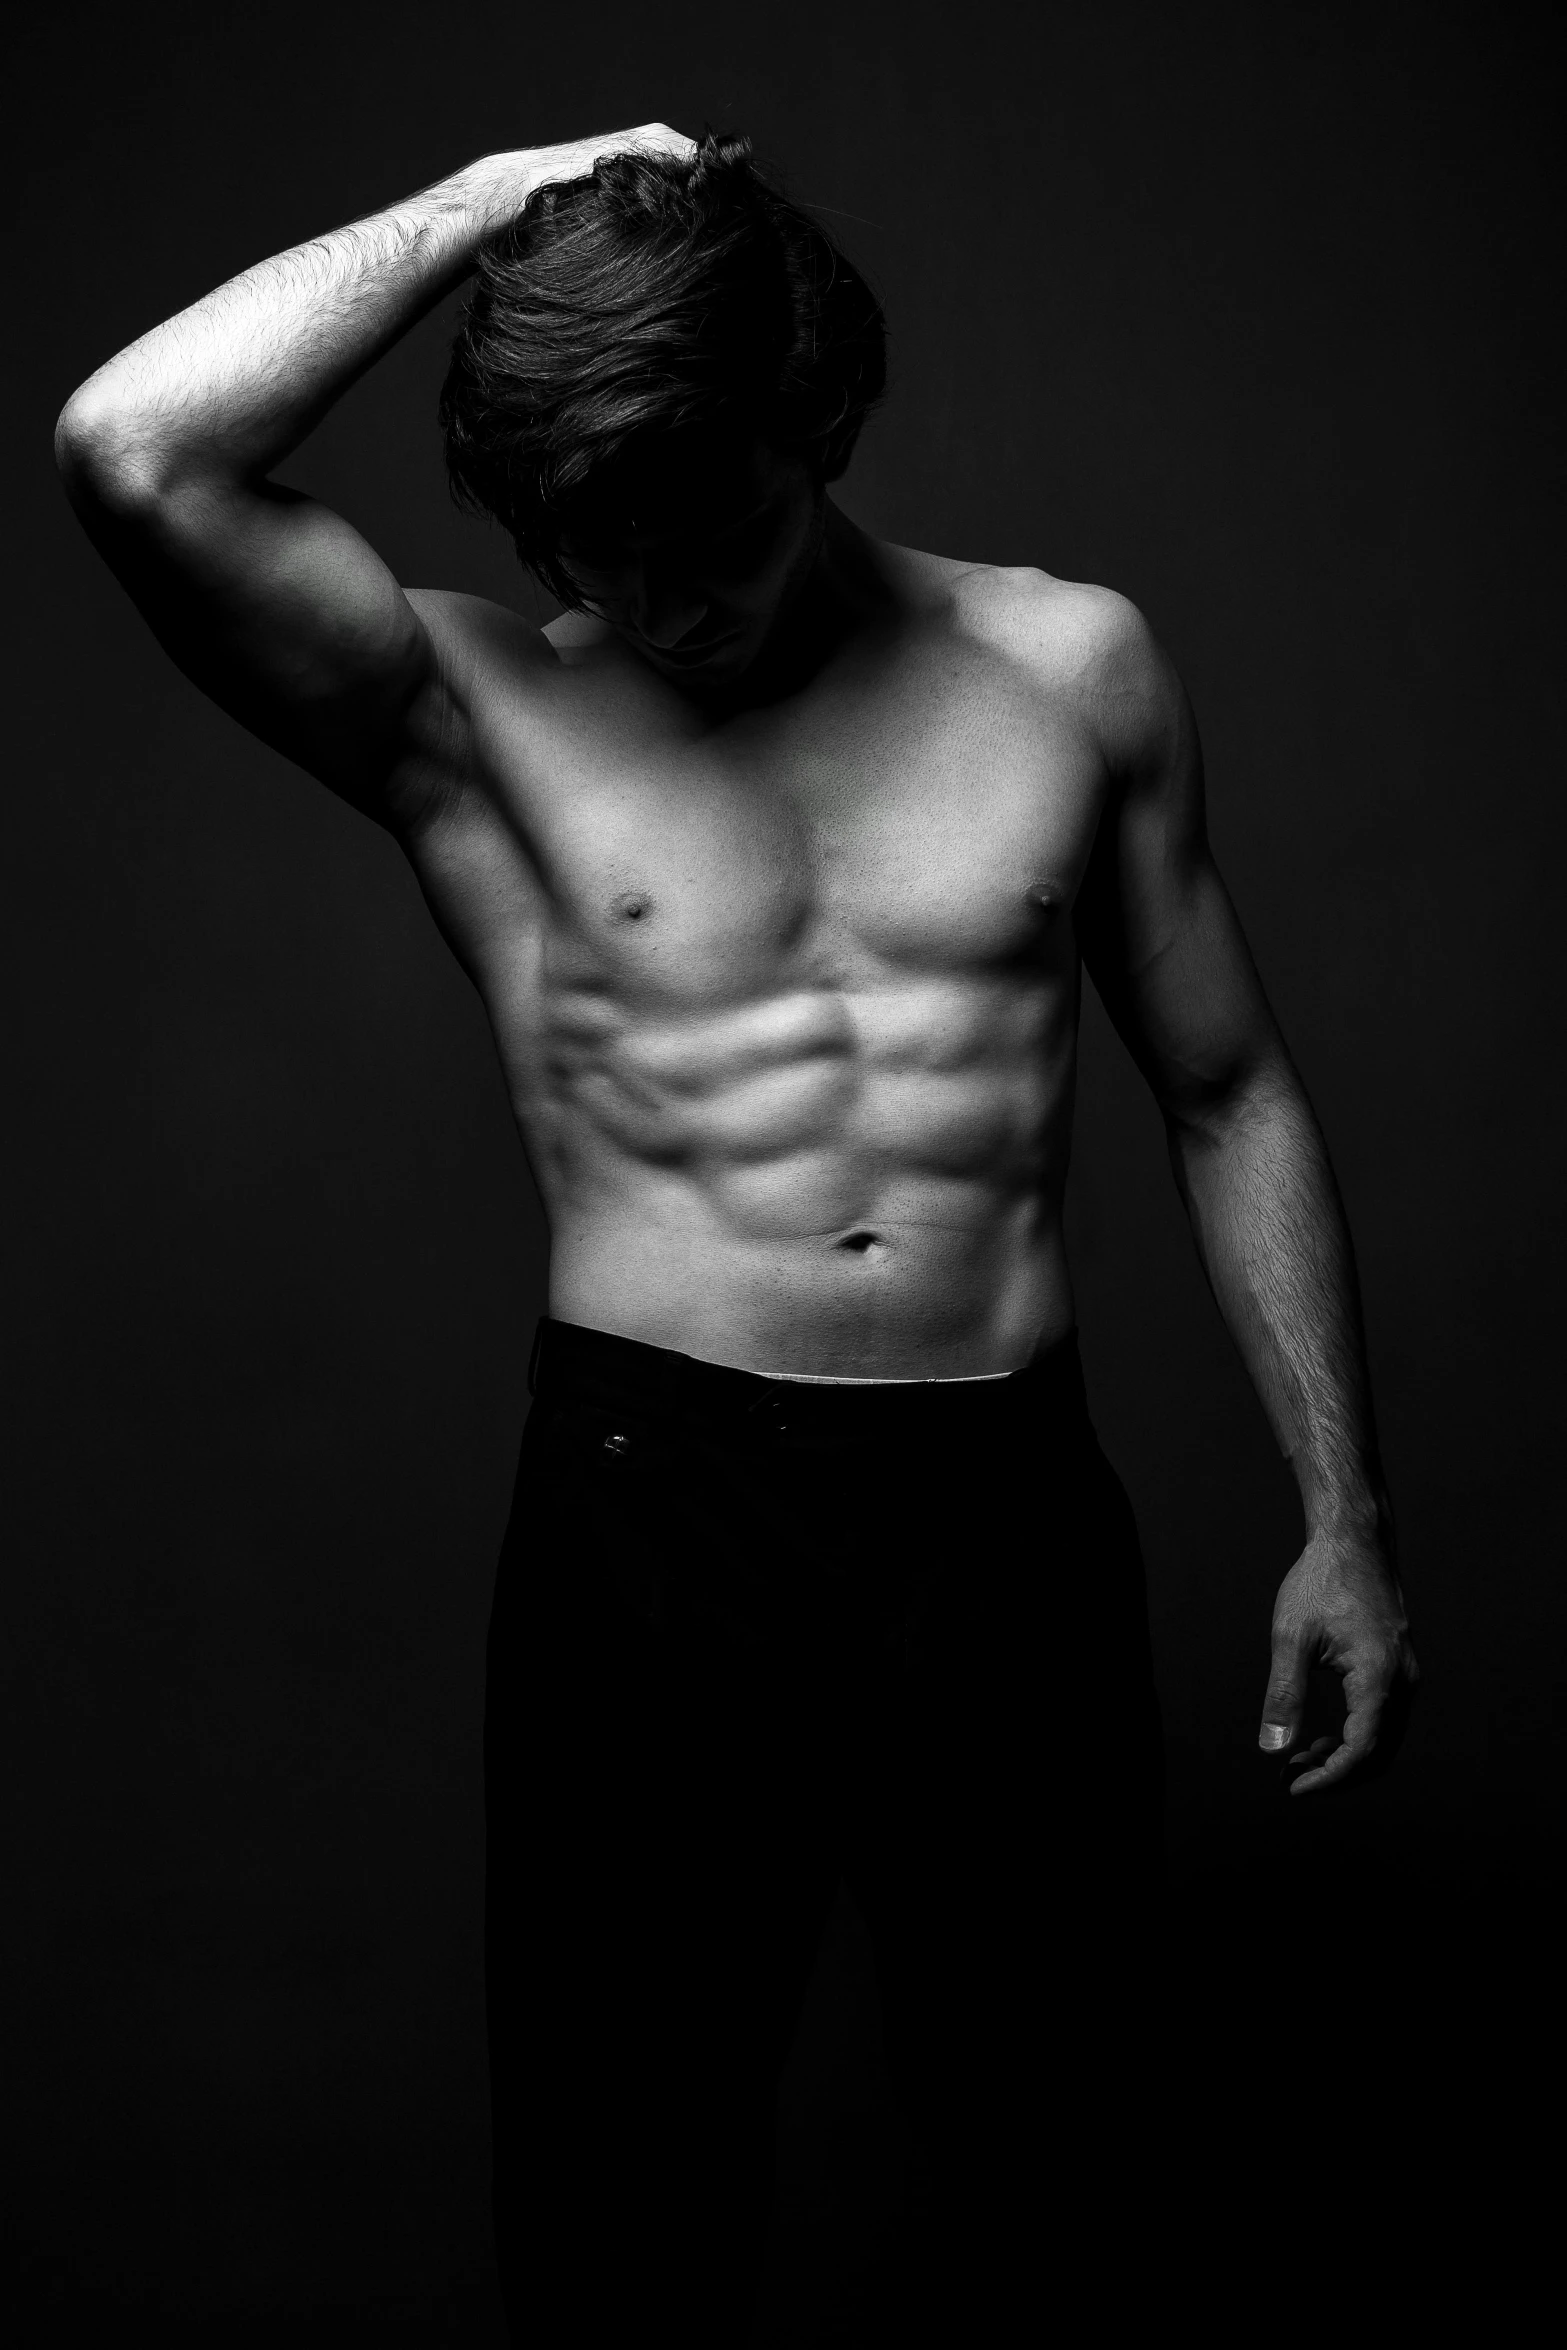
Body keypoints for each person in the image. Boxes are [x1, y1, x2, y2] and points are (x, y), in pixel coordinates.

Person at [56, 124, 1418, 2344]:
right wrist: (491, 202)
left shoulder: (1071, 672)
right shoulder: (476, 709)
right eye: (617, 560)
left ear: (819, 431)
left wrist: (1345, 1514)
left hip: (1001, 1513)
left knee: (1068, 2177)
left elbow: (1228, 1081)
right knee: (623, 2201)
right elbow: (130, 443)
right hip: (650, 1511)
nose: (674, 612)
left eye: (726, 542)